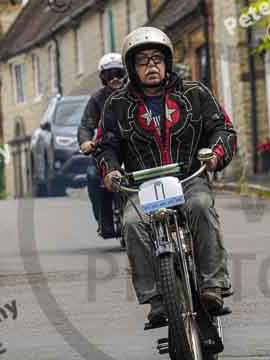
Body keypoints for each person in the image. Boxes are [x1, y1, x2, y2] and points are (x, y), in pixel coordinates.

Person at [94, 27, 237, 326]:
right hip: (140, 185)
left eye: (157, 59)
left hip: (188, 176)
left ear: (167, 62)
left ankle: (213, 285)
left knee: (200, 206)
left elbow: (222, 128)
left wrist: (215, 154)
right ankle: (157, 299)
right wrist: (111, 170)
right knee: (132, 225)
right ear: (132, 67)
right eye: (143, 60)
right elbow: (105, 145)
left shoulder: (195, 92)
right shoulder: (116, 105)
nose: (151, 66)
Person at [78, 53, 126, 236]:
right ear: (102, 78)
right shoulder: (97, 99)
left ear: (126, 73)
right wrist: (85, 142)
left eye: (118, 73)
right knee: (92, 175)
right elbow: (86, 124)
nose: (114, 79)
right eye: (109, 75)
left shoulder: (136, 93)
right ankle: (103, 220)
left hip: (134, 149)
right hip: (106, 149)